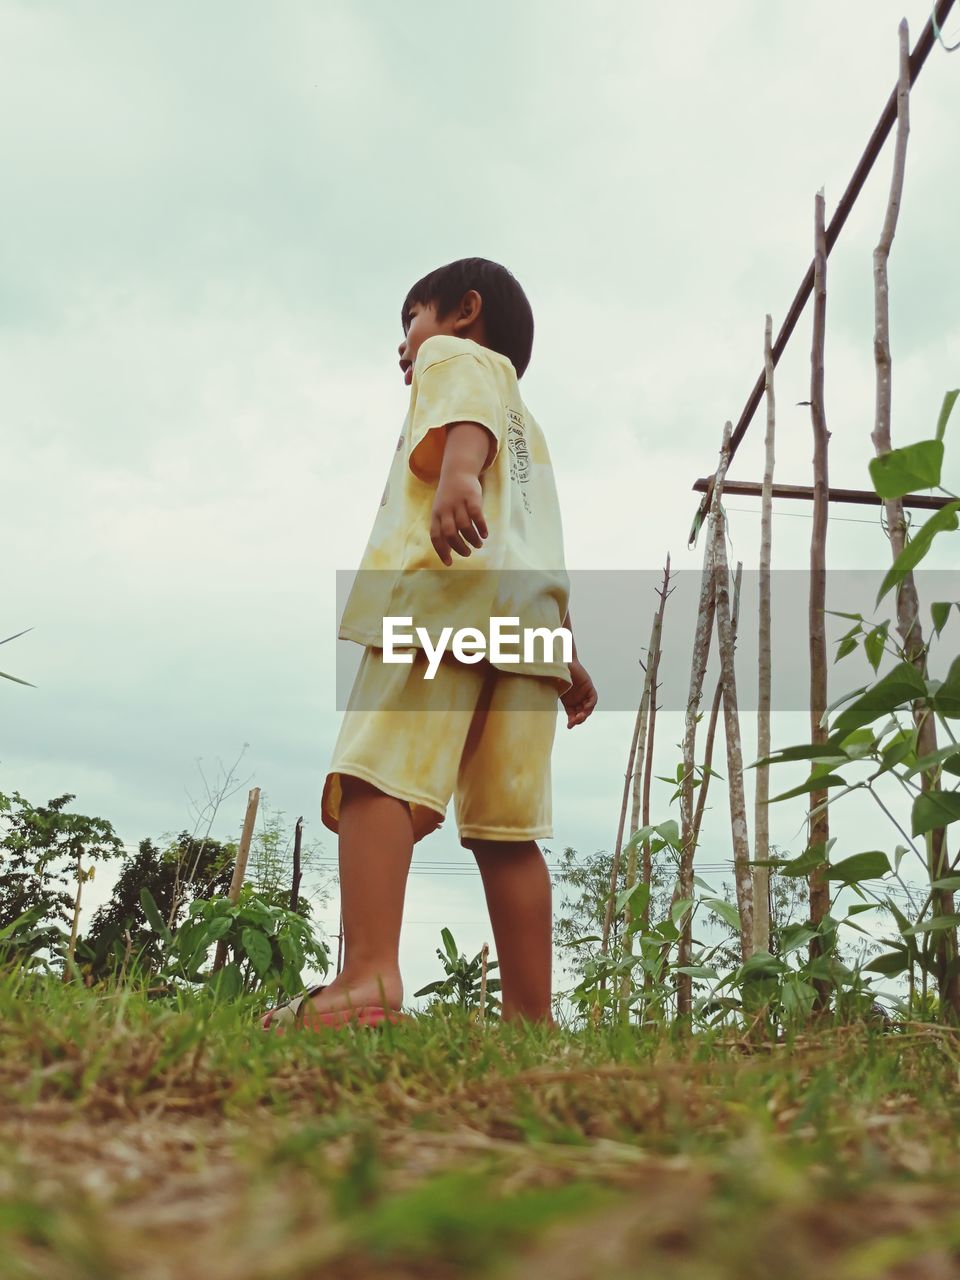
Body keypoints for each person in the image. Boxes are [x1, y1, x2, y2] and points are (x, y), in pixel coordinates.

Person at [263, 257, 597, 1033]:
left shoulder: (460, 361)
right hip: (525, 633)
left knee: (377, 774)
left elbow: (466, 414)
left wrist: (456, 474)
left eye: (410, 321)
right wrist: (564, 652)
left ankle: (369, 977)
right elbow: (533, 547)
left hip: (442, 598)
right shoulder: (531, 433)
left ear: (463, 312)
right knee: (506, 833)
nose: (406, 346)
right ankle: (529, 1021)